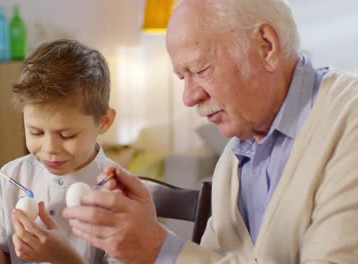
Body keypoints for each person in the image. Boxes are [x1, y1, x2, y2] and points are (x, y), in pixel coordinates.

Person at [62, 0, 358, 263]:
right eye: (182, 77)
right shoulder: (235, 155)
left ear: (266, 46)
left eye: (201, 70)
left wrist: (158, 248)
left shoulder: (350, 121)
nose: (189, 98)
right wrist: (146, 236)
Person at [0, 39, 120, 263]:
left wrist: (64, 258)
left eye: (67, 135)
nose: (49, 149)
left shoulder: (119, 196)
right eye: (35, 132)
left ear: (104, 121)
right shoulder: (12, 177)